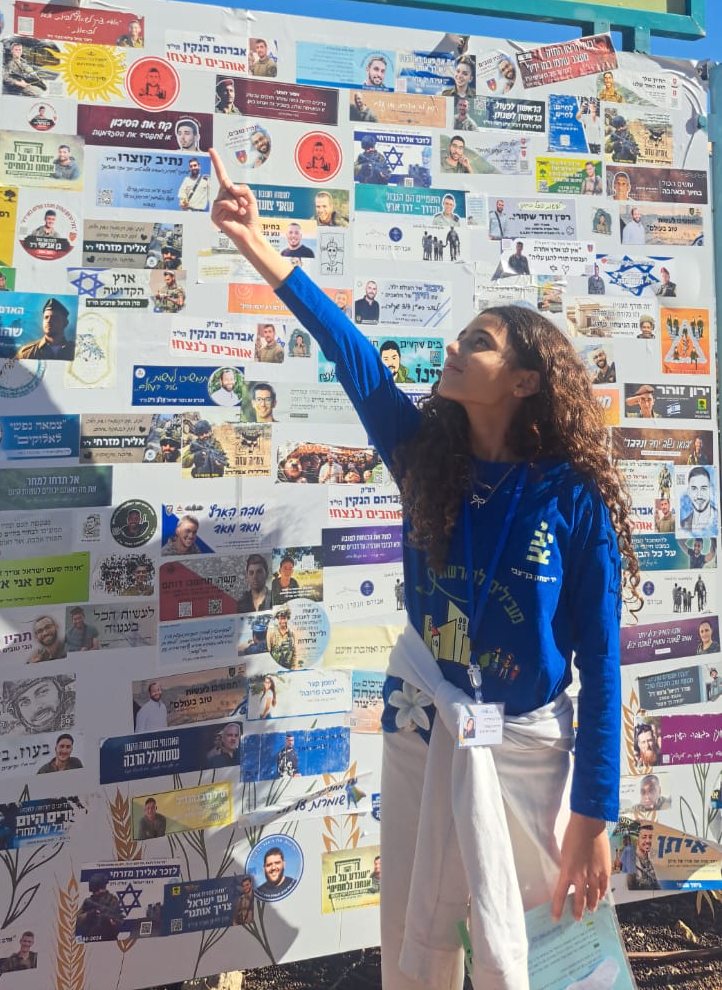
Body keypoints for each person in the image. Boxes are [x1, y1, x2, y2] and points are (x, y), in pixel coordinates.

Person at [207, 147, 638, 987]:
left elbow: (601, 658)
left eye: (478, 342)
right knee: (416, 916)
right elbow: (351, 354)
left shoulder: (572, 498)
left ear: (524, 381)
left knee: (543, 952)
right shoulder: (422, 456)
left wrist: (593, 813)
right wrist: (256, 245)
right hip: (423, 713)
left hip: (527, 747)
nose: (453, 346)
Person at [680, 468, 719, 535]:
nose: (699, 496)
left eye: (703, 488)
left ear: (710, 490)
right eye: (694, 489)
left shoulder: (719, 518)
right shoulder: (683, 525)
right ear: (688, 492)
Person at [627, 824, 658, 892]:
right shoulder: (632, 863)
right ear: (637, 839)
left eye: (650, 837)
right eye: (644, 837)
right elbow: (631, 888)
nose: (648, 841)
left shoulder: (649, 863)